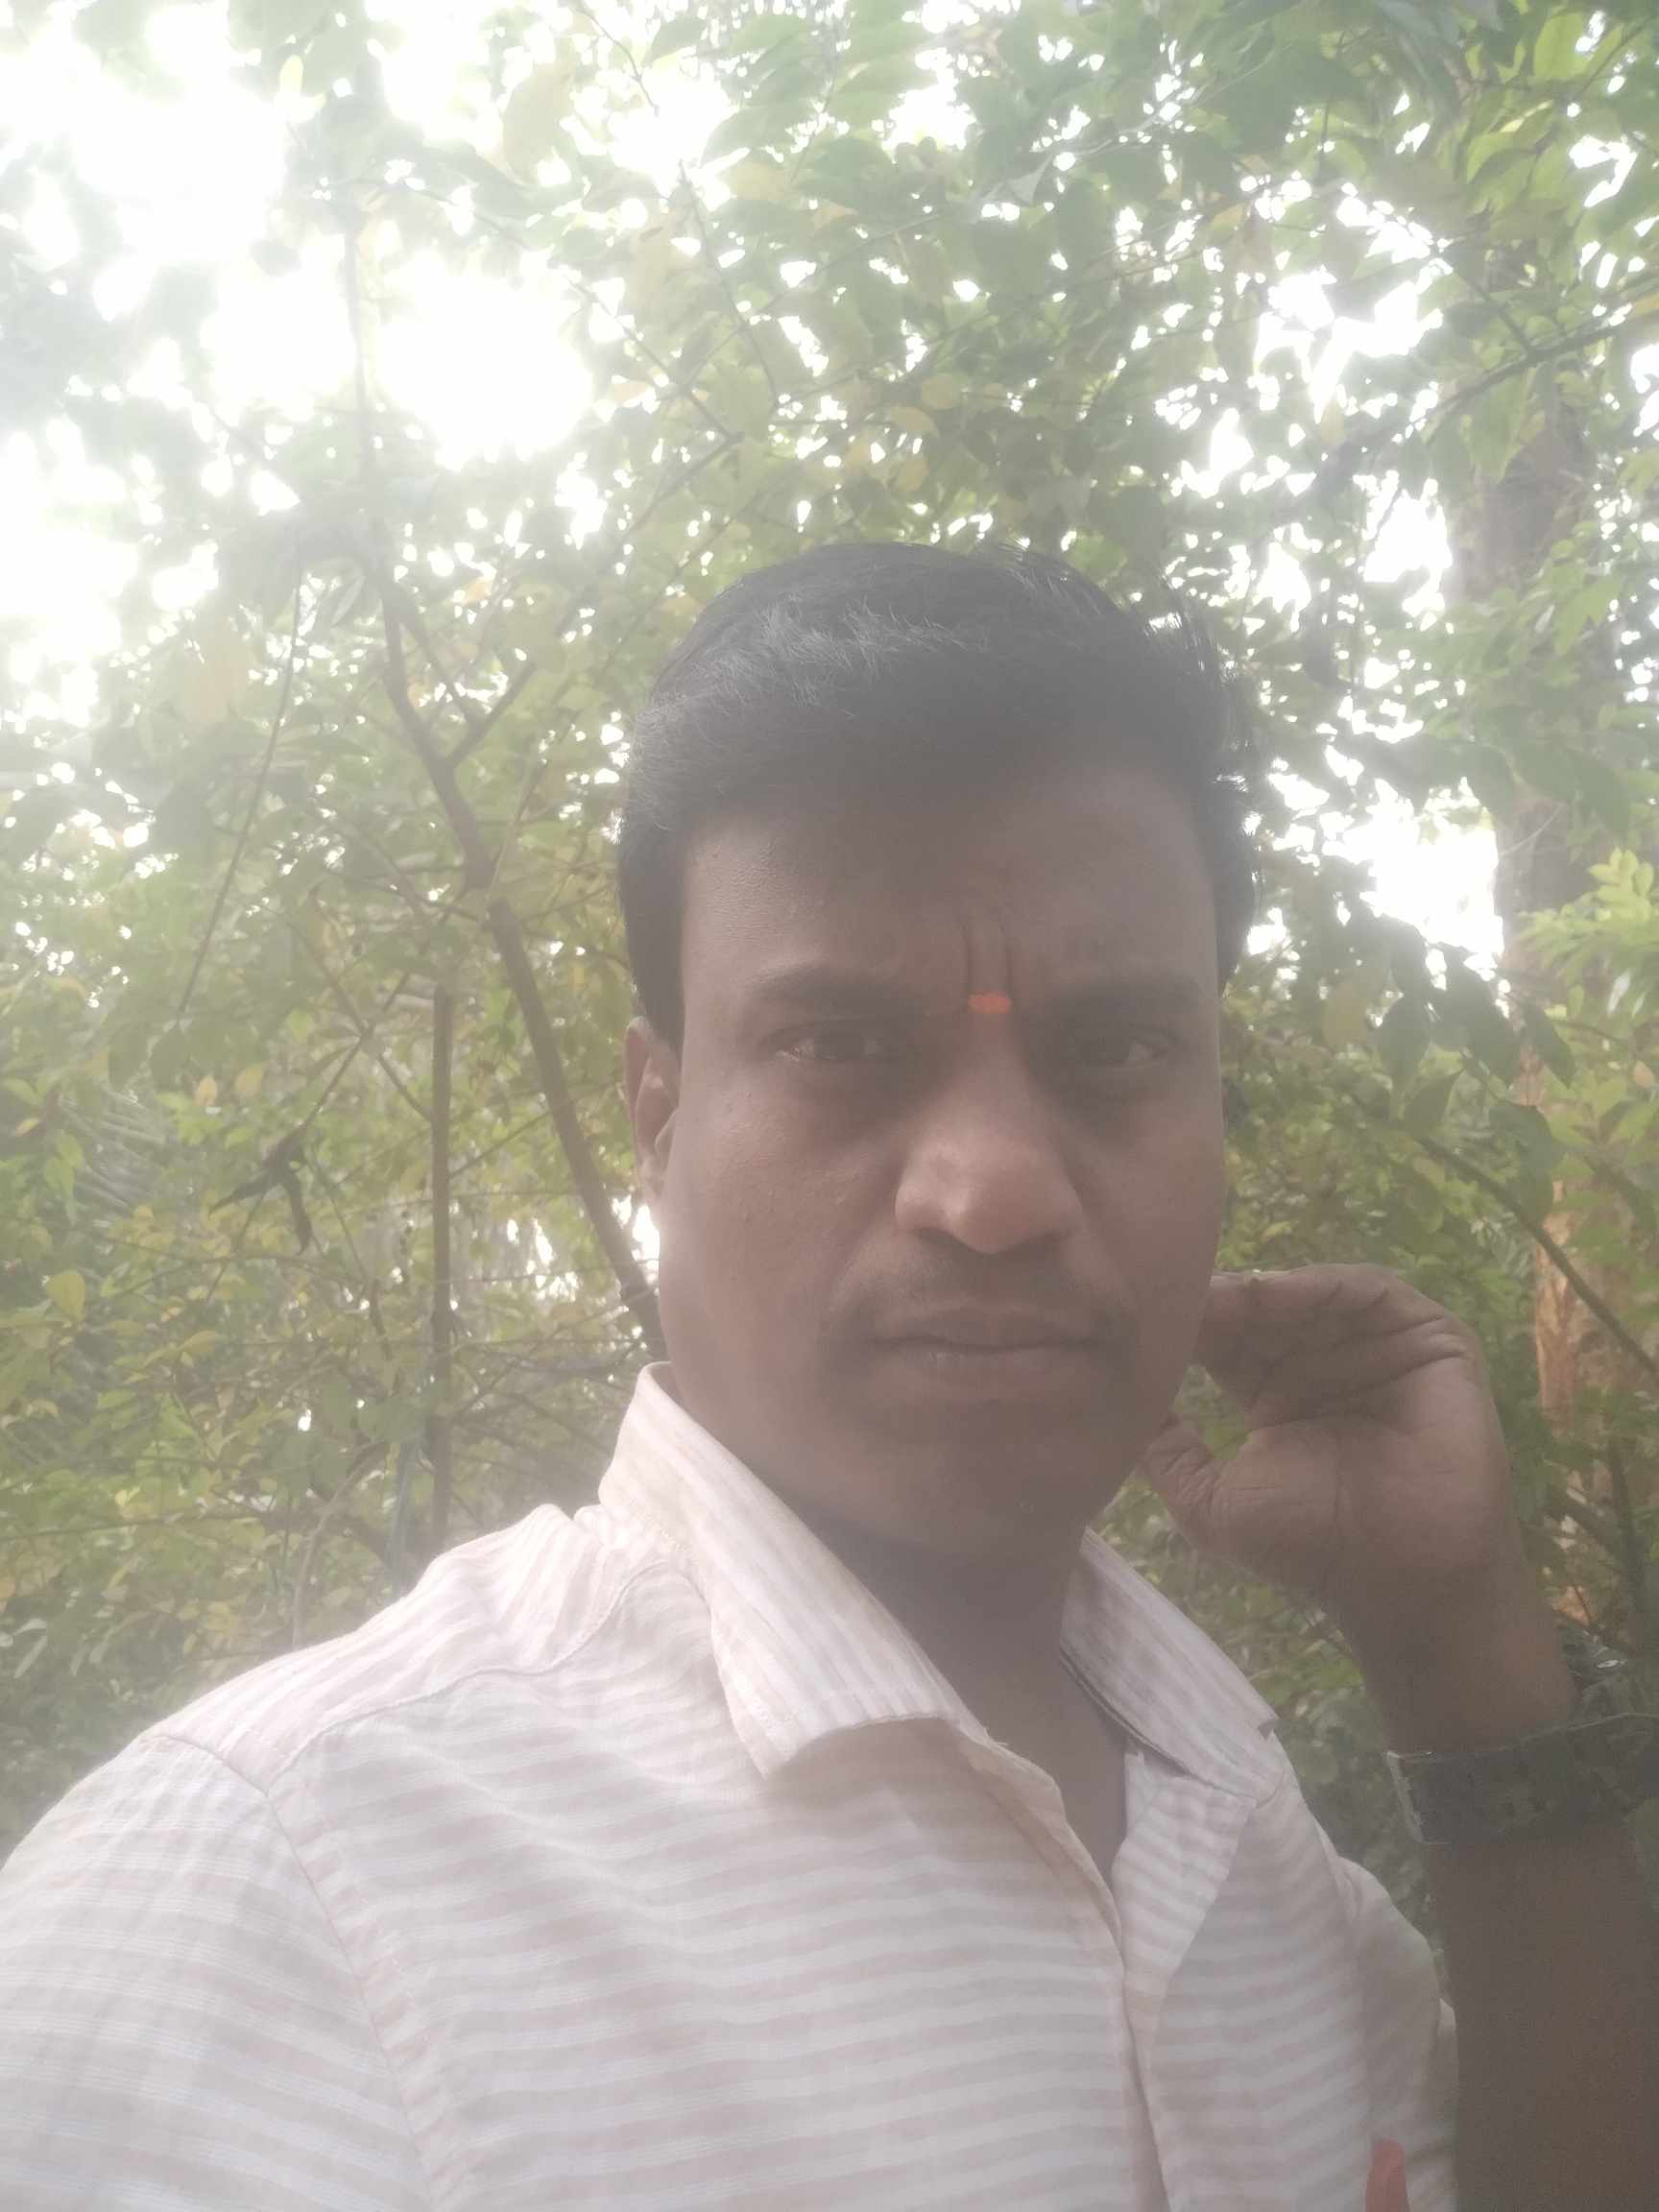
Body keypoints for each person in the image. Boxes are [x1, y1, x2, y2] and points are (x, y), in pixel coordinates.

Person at [2, 542, 1654, 2212]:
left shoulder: (1244, 1826)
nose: (994, 1191)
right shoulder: (273, 1904)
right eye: (840, 1047)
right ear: (659, 1117)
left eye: (1116, 1050)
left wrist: (1462, 1649)